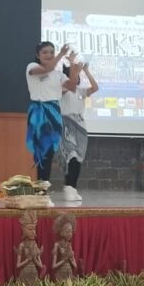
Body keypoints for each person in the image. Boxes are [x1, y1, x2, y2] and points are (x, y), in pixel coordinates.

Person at [25, 41, 79, 206]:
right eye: (45, 52)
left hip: (54, 112)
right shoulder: (32, 67)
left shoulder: (58, 74)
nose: (49, 55)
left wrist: (73, 66)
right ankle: (41, 193)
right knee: (41, 153)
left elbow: (72, 86)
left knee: (49, 153)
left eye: (51, 52)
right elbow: (46, 70)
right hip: (39, 112)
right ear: (38, 55)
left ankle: (42, 193)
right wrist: (61, 54)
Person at [59, 51, 98, 201]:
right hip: (67, 125)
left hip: (80, 126)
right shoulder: (62, 90)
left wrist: (86, 71)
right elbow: (70, 82)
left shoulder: (81, 91)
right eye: (73, 73)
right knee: (72, 156)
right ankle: (68, 187)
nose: (76, 75)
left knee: (78, 158)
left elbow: (95, 87)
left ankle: (72, 187)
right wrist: (72, 64)